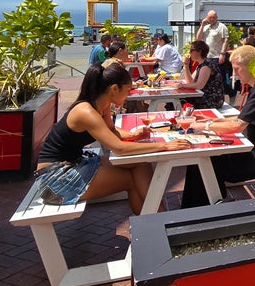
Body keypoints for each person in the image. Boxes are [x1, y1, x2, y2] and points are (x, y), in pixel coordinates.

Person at [34, 63, 191, 214]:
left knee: (141, 164)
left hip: (75, 163)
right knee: (131, 180)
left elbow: (110, 130)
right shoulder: (86, 112)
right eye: (128, 91)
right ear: (114, 89)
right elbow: (119, 148)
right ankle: (159, 221)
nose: (129, 95)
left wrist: (132, 135)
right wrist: (165, 146)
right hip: (55, 179)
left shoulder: (101, 105)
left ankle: (156, 218)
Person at [180, 45, 255, 207]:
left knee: (206, 163)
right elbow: (243, 118)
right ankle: (194, 210)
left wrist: (203, 125)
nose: (234, 74)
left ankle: (203, 210)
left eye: (237, 69)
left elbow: (238, 125)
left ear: (252, 66)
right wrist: (209, 120)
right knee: (200, 161)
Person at [182, 39, 227, 109]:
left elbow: (199, 85)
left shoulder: (206, 66)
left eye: (191, 50)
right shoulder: (201, 65)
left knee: (180, 102)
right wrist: (186, 66)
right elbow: (190, 82)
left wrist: (181, 86)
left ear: (199, 51)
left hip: (211, 99)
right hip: (204, 96)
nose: (189, 53)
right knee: (178, 102)